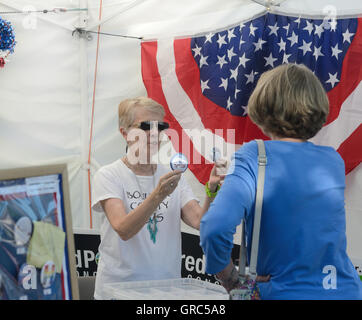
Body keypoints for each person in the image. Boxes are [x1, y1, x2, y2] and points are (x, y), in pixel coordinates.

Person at [200, 64, 362, 299]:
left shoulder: (253, 155)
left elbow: (215, 227)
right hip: (345, 290)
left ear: (263, 105)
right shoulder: (332, 159)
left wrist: (231, 279)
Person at [91, 97, 224, 300]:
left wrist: (211, 190)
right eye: (146, 126)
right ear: (125, 133)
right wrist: (158, 195)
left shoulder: (170, 174)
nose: (155, 134)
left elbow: (199, 221)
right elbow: (124, 229)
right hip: (118, 293)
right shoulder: (108, 174)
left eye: (160, 127)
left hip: (165, 293)